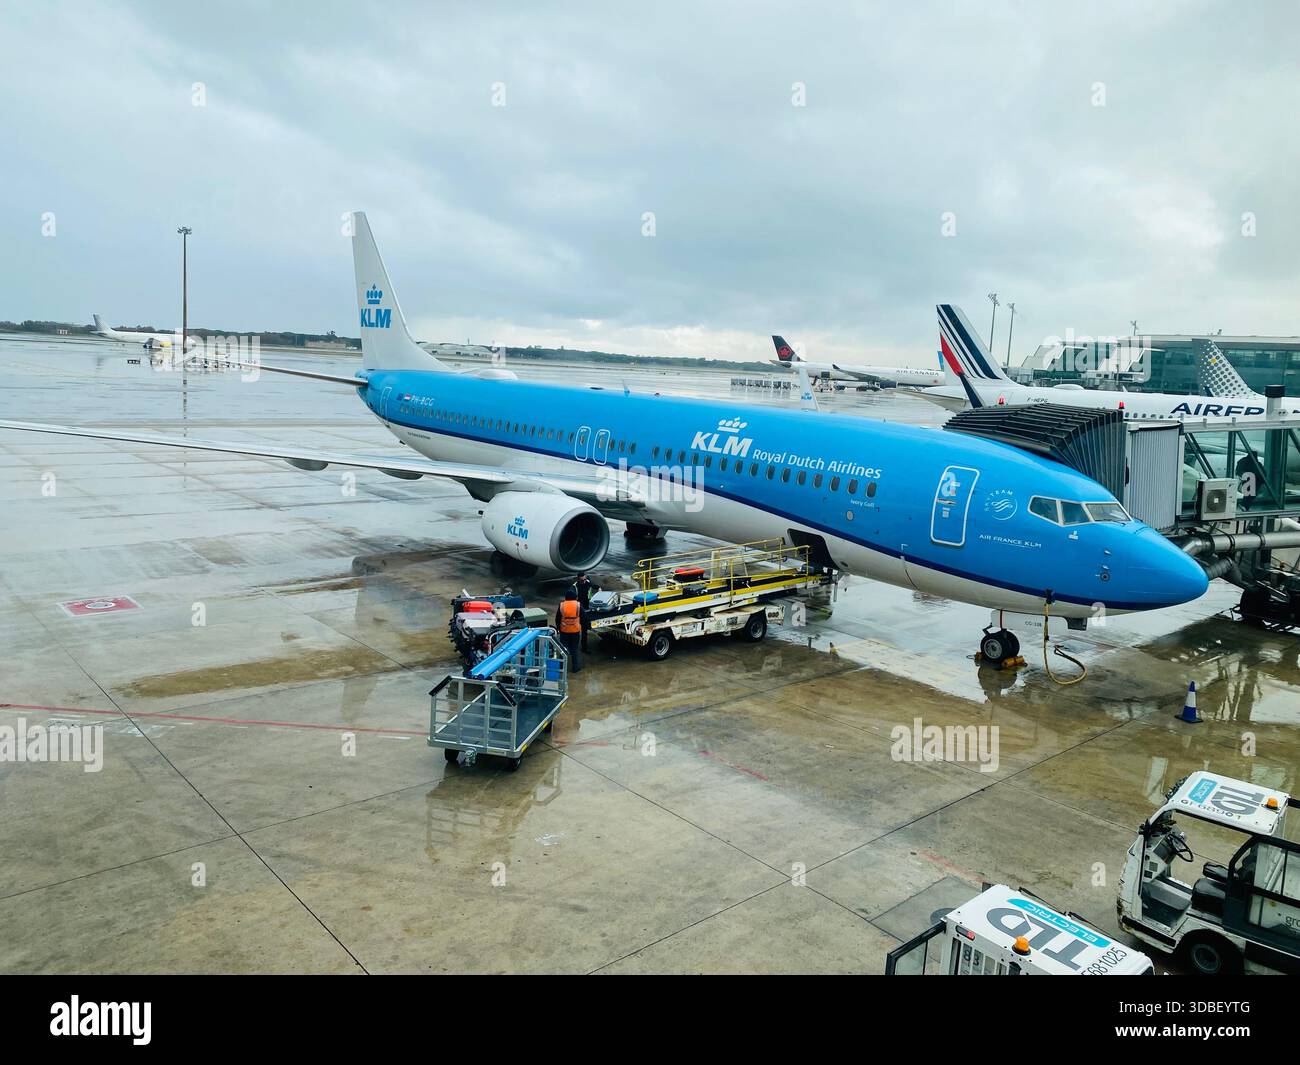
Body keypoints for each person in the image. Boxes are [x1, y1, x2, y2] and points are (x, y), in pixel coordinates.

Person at [555, 587, 583, 673]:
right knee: (574, 649)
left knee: (563, 649)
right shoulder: (578, 605)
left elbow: (557, 618)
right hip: (575, 631)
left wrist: (559, 628)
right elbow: (584, 616)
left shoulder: (562, 605)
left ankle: (561, 667)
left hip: (564, 631)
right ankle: (575, 668)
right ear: (575, 597)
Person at [573, 572, 599, 651]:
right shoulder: (575, 586)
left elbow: (595, 586)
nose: (584, 581)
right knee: (576, 630)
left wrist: (599, 588)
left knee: (584, 630)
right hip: (579, 608)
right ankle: (573, 647)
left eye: (585, 579)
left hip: (587, 607)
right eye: (582, 580)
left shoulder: (588, 582)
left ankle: (584, 648)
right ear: (579, 579)